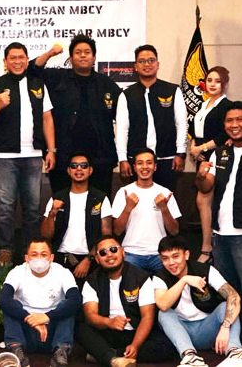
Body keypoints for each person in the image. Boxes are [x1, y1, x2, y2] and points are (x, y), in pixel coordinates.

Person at [0, 42, 56, 267]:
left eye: (21, 57)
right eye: (12, 58)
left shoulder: (38, 83)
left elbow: (47, 118)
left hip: (33, 155)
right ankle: (5, 250)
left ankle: (30, 252)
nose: (17, 61)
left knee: (32, 208)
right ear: (5, 62)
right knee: (5, 208)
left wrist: (51, 150)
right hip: (4, 156)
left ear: (26, 59)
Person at [29, 35, 121, 195]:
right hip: (63, 157)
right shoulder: (57, 78)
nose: (83, 55)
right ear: (71, 58)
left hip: (101, 157)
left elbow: (124, 116)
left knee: (100, 204)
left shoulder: (107, 84)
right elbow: (32, 70)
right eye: (78, 52)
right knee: (62, 203)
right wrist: (50, 53)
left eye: (87, 52)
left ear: (94, 57)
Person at [77, 235, 177, 367]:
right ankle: (112, 358)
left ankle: (105, 355)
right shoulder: (92, 281)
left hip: (135, 332)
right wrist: (109, 322)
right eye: (103, 252)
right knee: (80, 329)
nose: (109, 255)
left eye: (113, 249)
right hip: (106, 331)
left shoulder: (141, 277)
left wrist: (135, 345)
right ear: (97, 259)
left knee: (167, 345)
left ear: (123, 252)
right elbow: (90, 315)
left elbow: (147, 317)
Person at [153, 235, 242, 366]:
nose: (171, 262)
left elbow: (234, 296)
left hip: (208, 328)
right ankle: (190, 357)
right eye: (165, 258)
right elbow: (163, 304)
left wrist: (225, 327)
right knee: (164, 314)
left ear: (186, 255)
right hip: (182, 333)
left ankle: (235, 352)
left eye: (175, 256)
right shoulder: (160, 277)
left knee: (227, 305)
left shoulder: (205, 270)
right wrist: (184, 280)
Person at [0, 238, 81, 367]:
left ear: (51, 257)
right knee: (12, 305)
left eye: (43, 254)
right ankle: (17, 353)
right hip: (26, 331)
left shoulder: (63, 273)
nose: (39, 259)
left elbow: (75, 300)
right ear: (27, 258)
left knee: (66, 306)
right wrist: (29, 318)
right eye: (34, 254)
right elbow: (4, 299)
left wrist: (47, 316)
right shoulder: (17, 272)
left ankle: (60, 354)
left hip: (53, 332)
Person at [116, 44, 187, 192]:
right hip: (137, 162)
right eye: (142, 61)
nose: (147, 64)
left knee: (166, 201)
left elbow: (181, 124)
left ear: (158, 64)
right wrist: (122, 159)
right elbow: (122, 129)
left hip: (167, 159)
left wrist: (181, 153)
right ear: (136, 66)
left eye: (151, 60)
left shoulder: (173, 90)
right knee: (136, 201)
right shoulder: (126, 95)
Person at [40, 152, 112, 284]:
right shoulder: (57, 197)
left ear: (90, 170)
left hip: (91, 260)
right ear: (68, 170)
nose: (79, 169)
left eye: (84, 166)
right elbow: (45, 236)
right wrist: (52, 213)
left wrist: (88, 260)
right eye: (74, 166)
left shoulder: (100, 198)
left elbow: (106, 236)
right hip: (61, 259)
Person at [196, 101, 242, 293]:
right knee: (228, 292)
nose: (234, 124)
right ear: (224, 125)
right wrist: (201, 176)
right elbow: (206, 188)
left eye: (239, 119)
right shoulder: (220, 152)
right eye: (230, 120)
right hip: (220, 234)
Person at [188, 66, 231, 263]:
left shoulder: (227, 106)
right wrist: (193, 148)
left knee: (205, 199)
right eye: (210, 80)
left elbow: (224, 134)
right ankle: (208, 246)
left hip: (218, 156)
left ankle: (208, 248)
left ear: (224, 84)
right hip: (201, 157)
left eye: (217, 81)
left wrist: (202, 148)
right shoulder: (203, 104)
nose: (213, 84)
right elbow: (193, 130)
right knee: (204, 200)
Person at [112, 148, 181, 273]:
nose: (145, 167)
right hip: (131, 253)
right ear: (134, 167)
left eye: (149, 163)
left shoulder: (165, 192)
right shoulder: (124, 192)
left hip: (160, 253)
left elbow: (175, 231)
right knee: (129, 283)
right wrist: (128, 208)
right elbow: (117, 231)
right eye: (140, 163)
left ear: (155, 167)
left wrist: (164, 209)